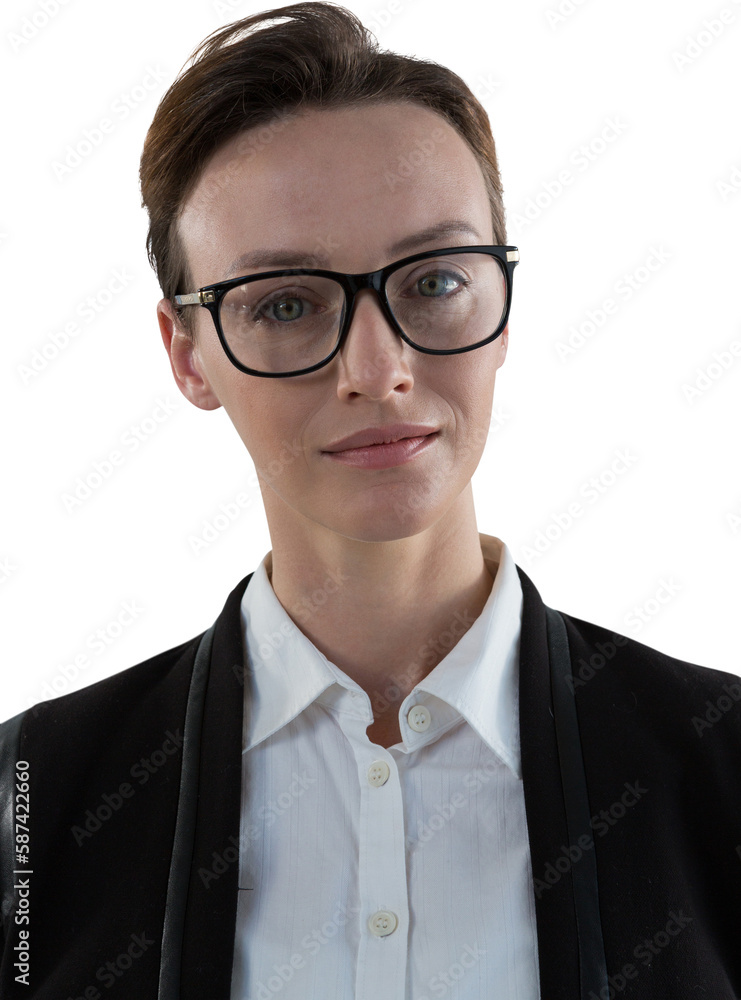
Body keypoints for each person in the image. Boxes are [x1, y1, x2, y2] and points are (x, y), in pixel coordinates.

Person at [1, 3, 739, 997]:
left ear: (502, 303)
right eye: (287, 304)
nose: (378, 367)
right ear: (188, 356)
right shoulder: (29, 805)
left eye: (434, 279)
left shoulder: (723, 767)